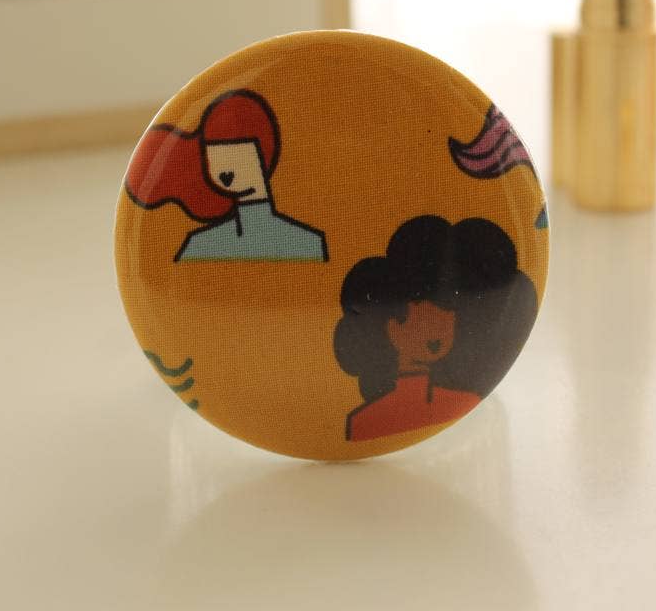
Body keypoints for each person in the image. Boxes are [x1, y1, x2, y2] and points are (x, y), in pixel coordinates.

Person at [334, 215, 537, 441]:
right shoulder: (363, 422)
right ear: (390, 325)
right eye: (422, 320)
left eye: (448, 315)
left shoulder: (463, 398)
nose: (439, 331)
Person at [125, 90, 327, 262]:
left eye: (240, 156)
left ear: (265, 154)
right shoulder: (199, 245)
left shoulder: (309, 243)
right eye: (218, 161)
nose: (227, 173)